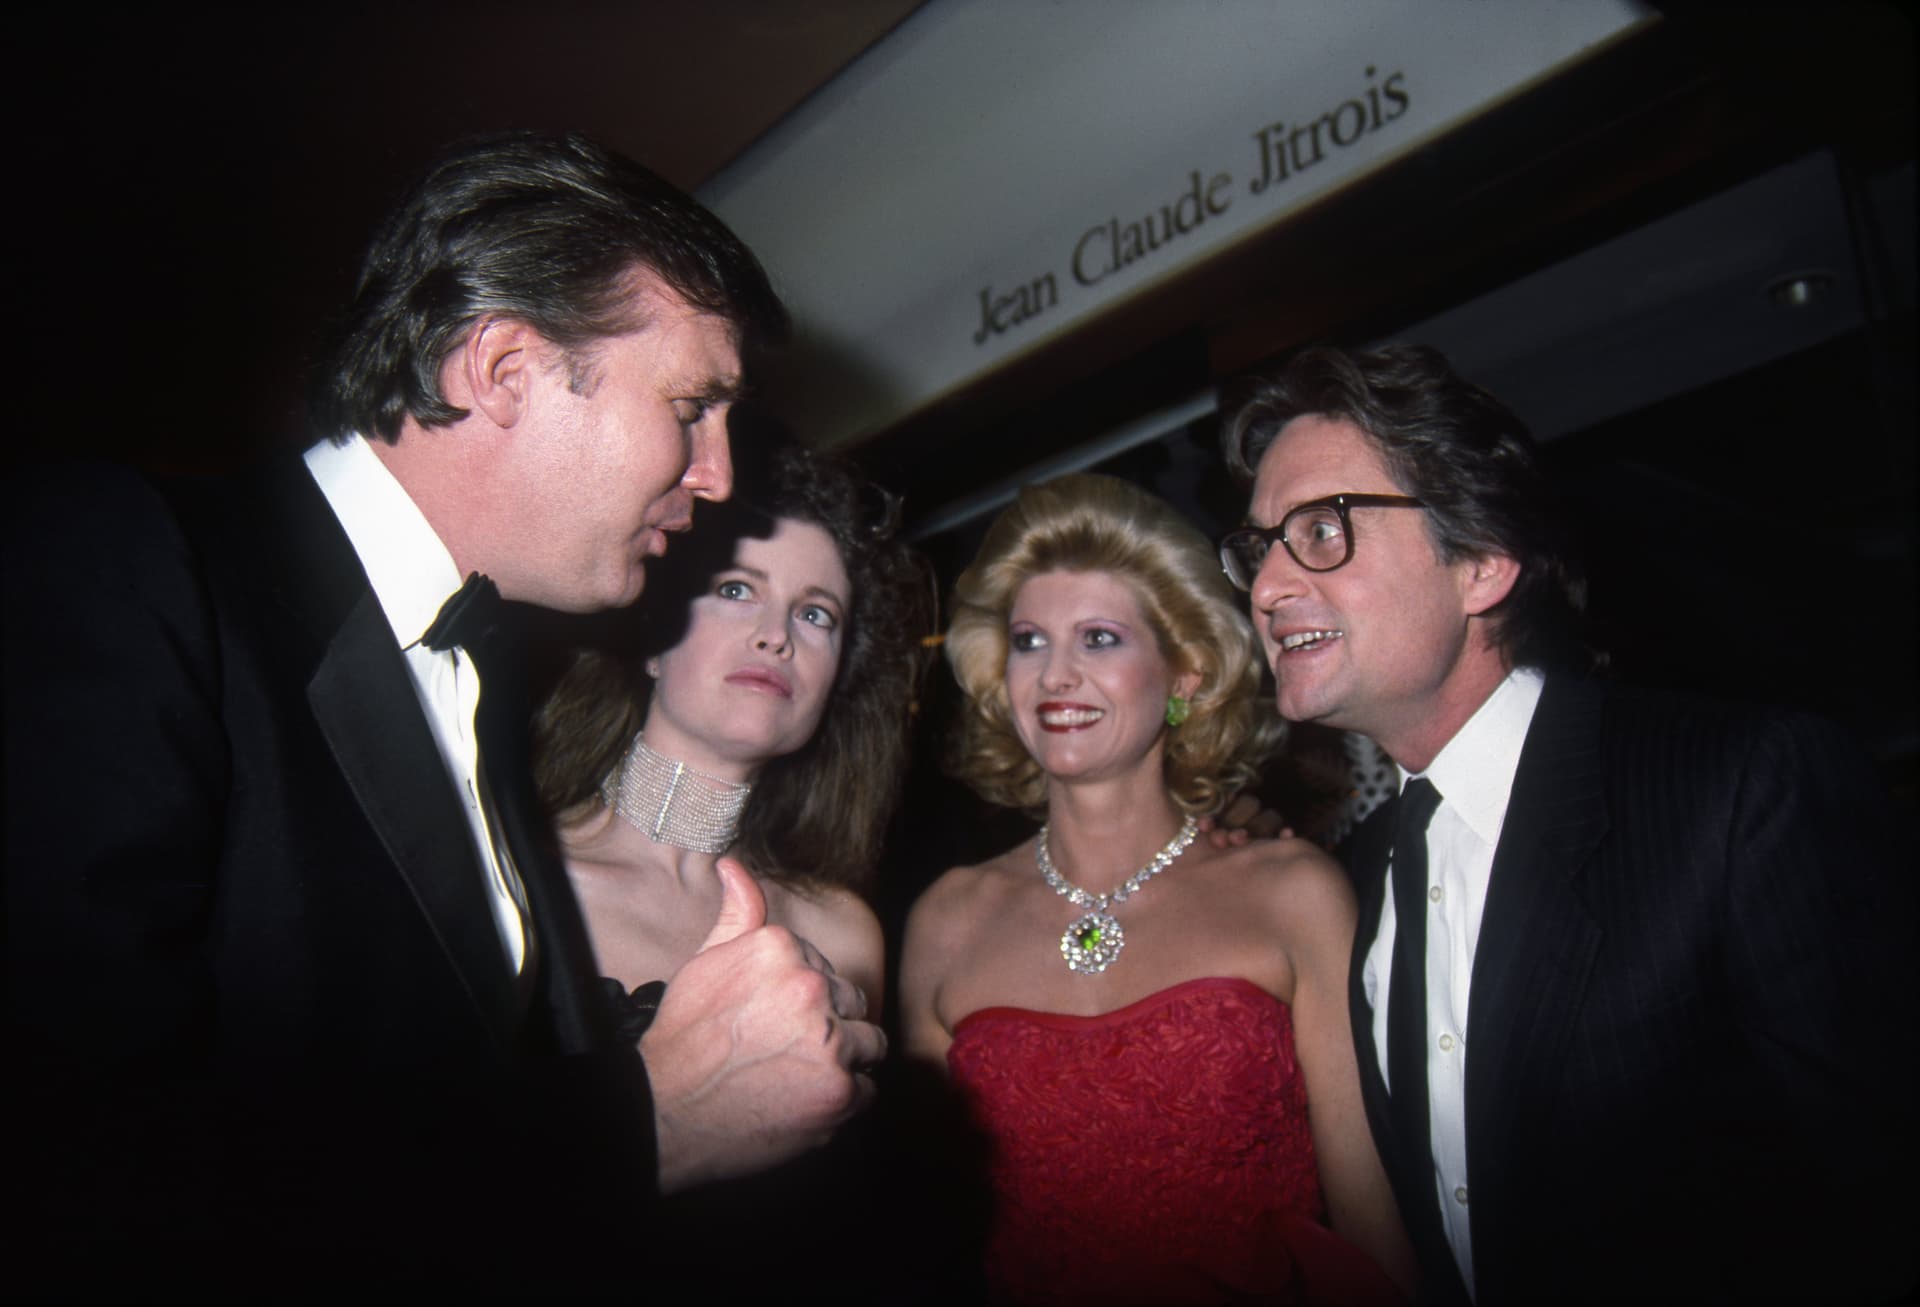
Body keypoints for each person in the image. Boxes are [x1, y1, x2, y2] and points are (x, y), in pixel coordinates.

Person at [3, 131, 883, 1296]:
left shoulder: (484, 685)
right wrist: (650, 1119)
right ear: (504, 366)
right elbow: (64, 1165)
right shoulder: (121, 561)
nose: (718, 473)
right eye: (693, 403)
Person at [1219, 343, 1916, 1304]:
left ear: (1483, 562)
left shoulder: (1743, 788)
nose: (1265, 587)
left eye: (1323, 529)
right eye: (1260, 547)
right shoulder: (1353, 874)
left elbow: (1880, 1199)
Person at [901, 473, 1415, 1304]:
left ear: (1184, 674)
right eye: (1030, 641)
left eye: (1099, 638)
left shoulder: (1293, 894)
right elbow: (929, 1242)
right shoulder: (946, 920)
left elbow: (1374, 1242)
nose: (1056, 675)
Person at [532, 442, 927, 1038]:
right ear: (657, 640)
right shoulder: (517, 875)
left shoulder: (845, 936)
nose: (776, 636)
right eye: (738, 590)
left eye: (815, 615)